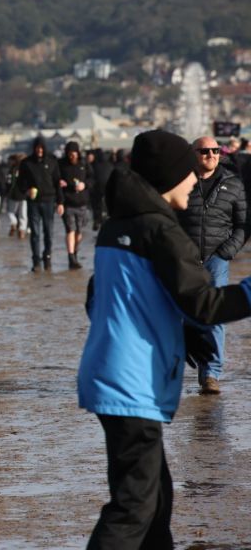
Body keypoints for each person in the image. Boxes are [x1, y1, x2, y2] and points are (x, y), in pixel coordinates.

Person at [77, 130, 251, 549]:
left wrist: (179, 331)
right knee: (134, 508)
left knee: (155, 503)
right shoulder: (161, 230)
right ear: (169, 176)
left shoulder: (117, 225)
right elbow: (203, 304)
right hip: (131, 383)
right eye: (188, 173)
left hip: (109, 375)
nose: (194, 182)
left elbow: (100, 297)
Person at [176, 136, 246, 395]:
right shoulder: (182, 182)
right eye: (205, 151)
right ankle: (171, 370)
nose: (211, 155)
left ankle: (211, 374)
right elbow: (168, 218)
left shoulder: (233, 183)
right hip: (186, 258)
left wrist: (227, 251)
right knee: (183, 313)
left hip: (217, 258)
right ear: (193, 154)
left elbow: (243, 224)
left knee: (215, 314)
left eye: (215, 150)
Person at [19, 136, 62, 272]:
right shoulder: (26, 163)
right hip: (33, 203)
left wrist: (60, 202)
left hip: (49, 201)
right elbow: (20, 183)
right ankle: (36, 260)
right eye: (37, 148)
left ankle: (47, 256)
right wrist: (26, 191)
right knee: (35, 233)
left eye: (42, 148)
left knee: (48, 232)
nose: (39, 150)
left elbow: (57, 183)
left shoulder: (52, 161)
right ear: (34, 148)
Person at [57, 141, 94, 270]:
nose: (72, 156)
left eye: (74, 153)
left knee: (79, 232)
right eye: (69, 154)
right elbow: (56, 181)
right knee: (70, 230)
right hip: (68, 203)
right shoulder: (61, 165)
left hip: (82, 203)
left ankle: (75, 252)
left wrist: (85, 184)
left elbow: (92, 179)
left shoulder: (84, 164)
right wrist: (60, 202)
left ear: (78, 153)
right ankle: (71, 257)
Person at [5, 153, 28, 239]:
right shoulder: (26, 169)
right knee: (23, 214)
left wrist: (7, 192)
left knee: (11, 211)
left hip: (14, 194)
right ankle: (22, 230)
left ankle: (13, 223)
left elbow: (8, 182)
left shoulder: (12, 170)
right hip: (24, 194)